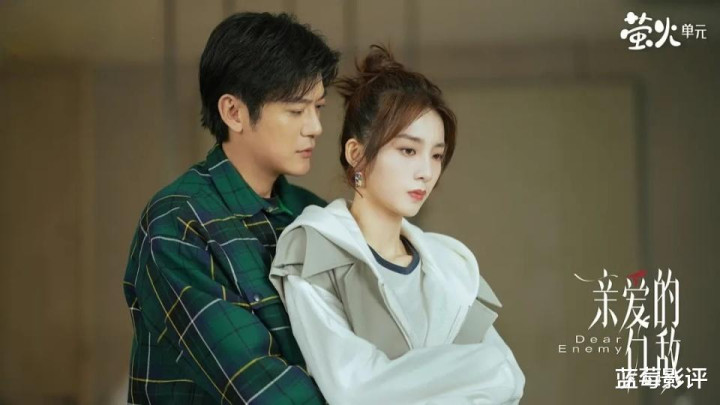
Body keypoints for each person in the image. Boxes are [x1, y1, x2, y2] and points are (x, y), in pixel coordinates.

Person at [269, 45, 525, 405]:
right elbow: (354, 388)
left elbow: (510, 381)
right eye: (408, 150)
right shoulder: (315, 250)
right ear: (356, 154)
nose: (426, 171)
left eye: (437, 155)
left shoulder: (451, 267)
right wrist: (478, 367)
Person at [122, 12, 339, 404]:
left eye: (318, 107)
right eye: (296, 110)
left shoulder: (314, 215)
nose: (315, 127)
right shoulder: (178, 223)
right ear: (233, 112)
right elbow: (256, 385)